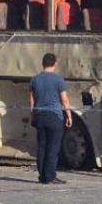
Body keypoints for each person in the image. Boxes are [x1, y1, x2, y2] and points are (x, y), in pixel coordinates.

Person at [29, 53, 73, 184]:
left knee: (42, 146)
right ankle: (50, 176)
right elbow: (64, 99)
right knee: (53, 147)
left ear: (43, 64)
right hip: (54, 116)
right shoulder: (58, 80)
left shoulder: (34, 79)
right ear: (54, 64)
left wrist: (32, 115)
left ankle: (42, 175)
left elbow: (31, 100)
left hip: (40, 116)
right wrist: (69, 115)